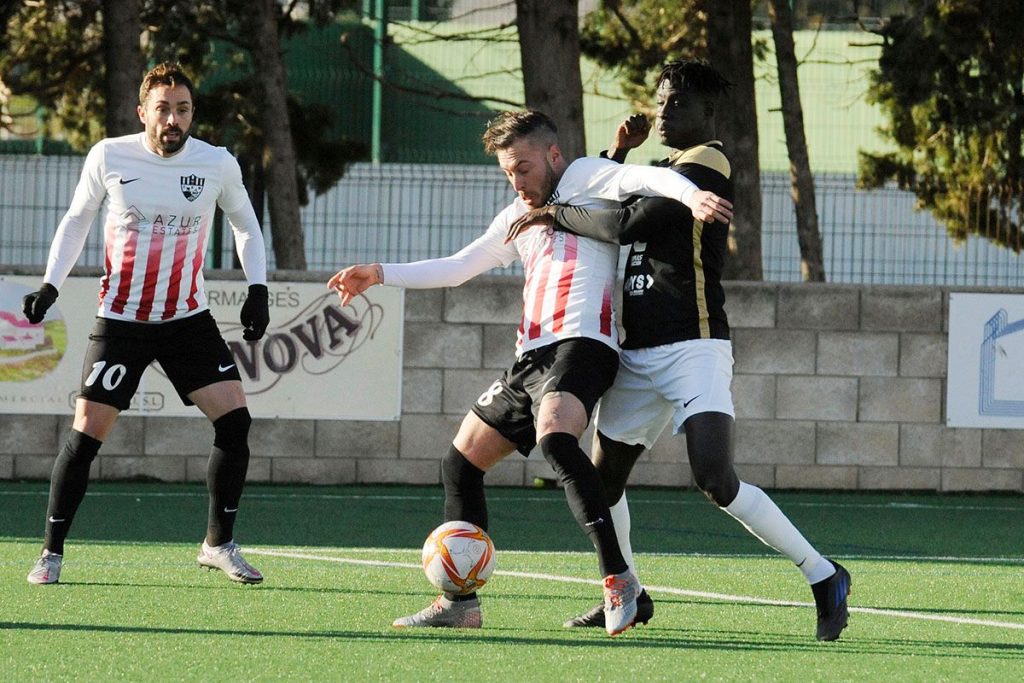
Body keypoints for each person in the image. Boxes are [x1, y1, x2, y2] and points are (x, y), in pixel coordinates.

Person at [329, 109, 733, 636]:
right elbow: (458, 267)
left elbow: (644, 179)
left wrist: (689, 195)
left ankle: (621, 580)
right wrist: (379, 273)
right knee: (461, 462)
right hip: (530, 357)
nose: (517, 181)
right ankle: (461, 603)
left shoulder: (588, 178)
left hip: (585, 344)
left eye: (523, 167)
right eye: (507, 172)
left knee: (556, 438)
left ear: (554, 156)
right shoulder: (516, 217)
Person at [508, 60, 852, 641]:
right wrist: (616, 155)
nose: (664, 112)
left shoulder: (707, 164)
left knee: (715, 477)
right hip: (637, 353)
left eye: (678, 105)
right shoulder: (666, 168)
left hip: (693, 345)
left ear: (707, 115)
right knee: (603, 482)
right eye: (661, 100)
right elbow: (607, 199)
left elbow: (625, 221)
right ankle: (629, 593)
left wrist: (555, 211)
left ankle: (823, 574)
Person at [23, 62, 270, 586]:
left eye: (182, 109)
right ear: (143, 113)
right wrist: (51, 285)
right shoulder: (110, 155)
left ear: (191, 114)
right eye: (163, 109)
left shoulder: (216, 163)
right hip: (122, 320)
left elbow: (246, 225)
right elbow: (76, 221)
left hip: (187, 319)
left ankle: (218, 545)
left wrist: (258, 289)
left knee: (235, 422)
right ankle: (50, 553)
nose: (172, 119)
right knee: (87, 434)